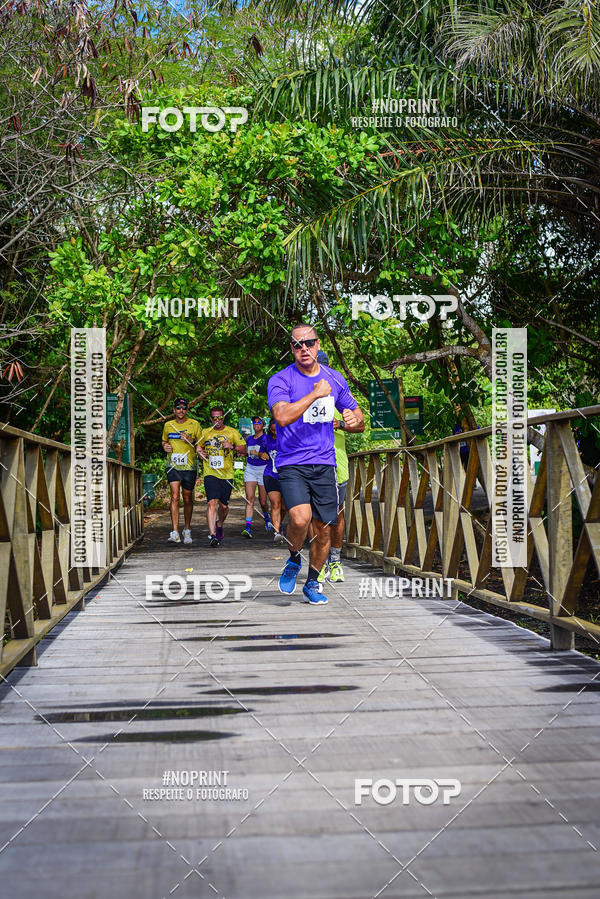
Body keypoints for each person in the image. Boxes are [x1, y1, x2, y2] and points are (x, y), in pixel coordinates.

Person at [267, 324, 364, 604]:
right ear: (292, 349)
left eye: (308, 343)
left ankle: (312, 583)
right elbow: (282, 416)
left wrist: (353, 422)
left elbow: (357, 417)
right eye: (297, 345)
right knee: (300, 518)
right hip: (292, 463)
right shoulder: (281, 379)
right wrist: (314, 395)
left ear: (318, 345)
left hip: (325, 463)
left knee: (324, 529)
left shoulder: (335, 379)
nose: (304, 349)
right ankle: (294, 557)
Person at [312, 351, 360, 583]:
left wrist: (340, 423)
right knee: (314, 516)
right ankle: (318, 563)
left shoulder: (340, 395)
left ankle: (336, 560)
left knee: (337, 514)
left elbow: (360, 426)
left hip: (337, 463)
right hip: (309, 464)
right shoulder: (301, 395)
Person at [195, 406, 245, 546]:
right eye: (214, 418)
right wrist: (200, 452)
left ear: (223, 417)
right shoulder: (205, 432)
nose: (218, 420)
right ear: (211, 419)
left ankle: (220, 523)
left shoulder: (232, 432)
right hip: (210, 472)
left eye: (220, 417)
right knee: (212, 503)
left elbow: (244, 448)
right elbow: (198, 447)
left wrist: (232, 446)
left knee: (223, 506)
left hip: (226, 473)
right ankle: (212, 535)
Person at [161, 398, 203, 544]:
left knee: (187, 498)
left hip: (189, 466)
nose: (181, 410)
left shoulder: (194, 424)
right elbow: (164, 441)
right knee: (174, 497)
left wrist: (191, 440)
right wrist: (165, 446)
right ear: (174, 410)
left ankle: (187, 529)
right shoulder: (168, 425)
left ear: (187, 410)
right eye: (178, 408)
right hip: (173, 466)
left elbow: (200, 443)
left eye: (183, 408)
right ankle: (174, 531)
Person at [242, 416, 272, 538]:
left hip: (263, 469)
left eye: (259, 423)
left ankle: (267, 517)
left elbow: (267, 456)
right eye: (254, 423)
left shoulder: (266, 439)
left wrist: (258, 454)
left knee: (263, 501)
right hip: (250, 468)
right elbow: (246, 452)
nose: (256, 425)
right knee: (250, 499)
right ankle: (247, 528)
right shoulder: (249, 439)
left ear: (263, 426)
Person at [259, 418, 285, 545]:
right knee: (275, 503)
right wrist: (261, 455)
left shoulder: (287, 437)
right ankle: (277, 532)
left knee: (284, 506)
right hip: (270, 474)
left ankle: (279, 525)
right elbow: (260, 451)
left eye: (277, 430)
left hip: (286, 475)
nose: (275, 432)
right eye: (273, 430)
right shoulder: (266, 439)